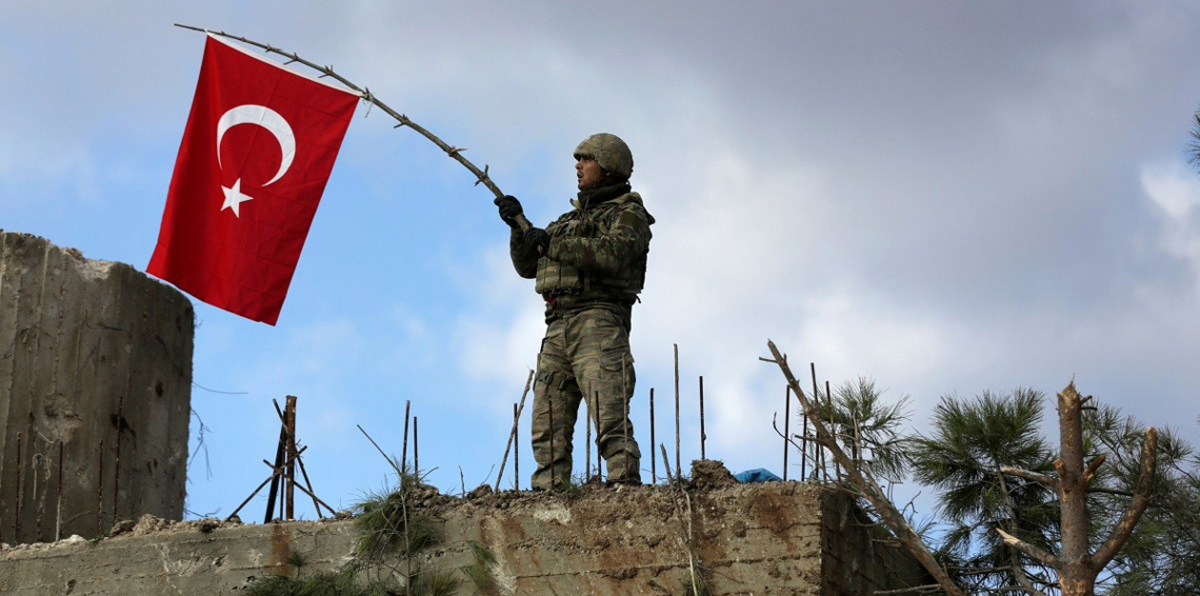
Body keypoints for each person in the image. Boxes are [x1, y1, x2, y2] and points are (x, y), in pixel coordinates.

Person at [494, 133, 654, 490]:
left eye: (587, 159)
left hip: (598, 322)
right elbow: (528, 267)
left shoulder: (629, 215)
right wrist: (518, 229)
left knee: (608, 410)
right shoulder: (566, 220)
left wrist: (552, 242)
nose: (578, 166)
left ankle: (623, 485)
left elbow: (612, 254)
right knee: (547, 418)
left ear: (609, 168)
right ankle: (549, 492)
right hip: (557, 324)